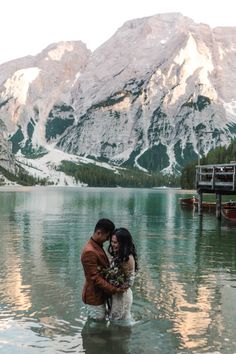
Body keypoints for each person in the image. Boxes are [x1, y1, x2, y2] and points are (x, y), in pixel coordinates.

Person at [81, 218, 125, 320]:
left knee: (99, 323)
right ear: (99, 232)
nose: (107, 240)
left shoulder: (96, 245)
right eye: (107, 236)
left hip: (100, 294)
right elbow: (95, 278)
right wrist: (115, 289)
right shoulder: (90, 251)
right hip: (94, 298)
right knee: (96, 326)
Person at [107, 227, 138, 321]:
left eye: (115, 242)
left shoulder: (128, 258)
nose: (113, 245)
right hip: (116, 294)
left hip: (122, 296)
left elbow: (130, 281)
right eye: (112, 242)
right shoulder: (119, 255)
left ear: (123, 243)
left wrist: (117, 288)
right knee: (116, 320)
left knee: (118, 323)